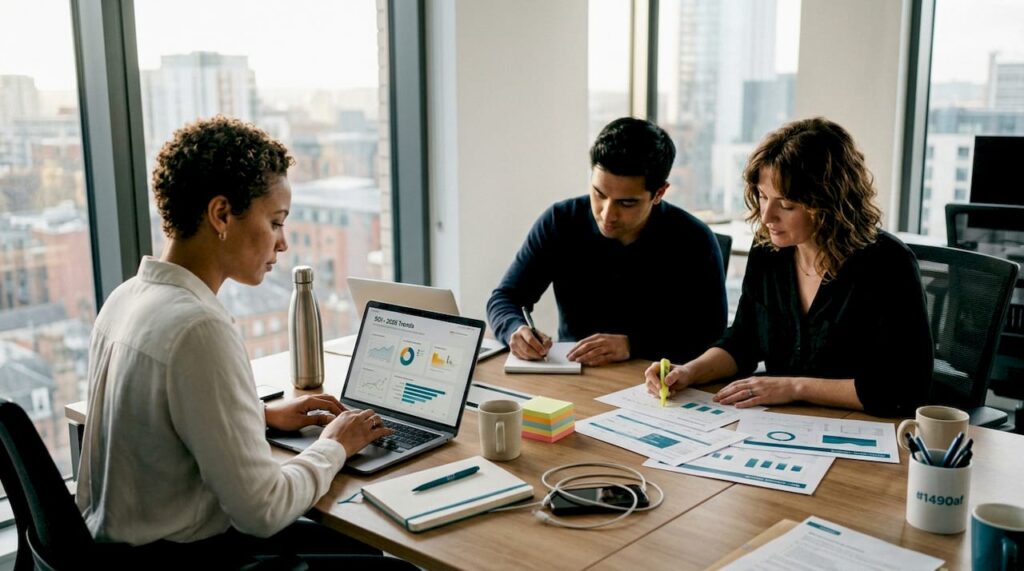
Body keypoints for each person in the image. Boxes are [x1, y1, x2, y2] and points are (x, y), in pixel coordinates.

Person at [76, 116, 414, 568]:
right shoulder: (198, 328)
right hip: (185, 559)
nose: (283, 243)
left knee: (358, 548)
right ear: (221, 215)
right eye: (275, 222)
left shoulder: (127, 297)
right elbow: (263, 511)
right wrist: (335, 444)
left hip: (118, 552)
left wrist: (259, 415)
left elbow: (165, 422)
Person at [645, 117, 933, 418]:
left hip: (862, 427)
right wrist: (689, 371)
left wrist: (795, 387)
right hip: (781, 424)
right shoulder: (769, 251)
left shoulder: (888, 264)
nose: (767, 216)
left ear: (828, 204)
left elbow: (903, 388)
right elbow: (743, 341)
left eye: (786, 205)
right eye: (762, 196)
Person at [486, 117, 727, 366]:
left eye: (626, 203)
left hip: (655, 377)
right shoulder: (560, 221)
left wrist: (633, 344)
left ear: (659, 193)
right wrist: (515, 329)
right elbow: (505, 298)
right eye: (599, 194)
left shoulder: (694, 240)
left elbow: (712, 336)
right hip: (573, 373)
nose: (607, 214)